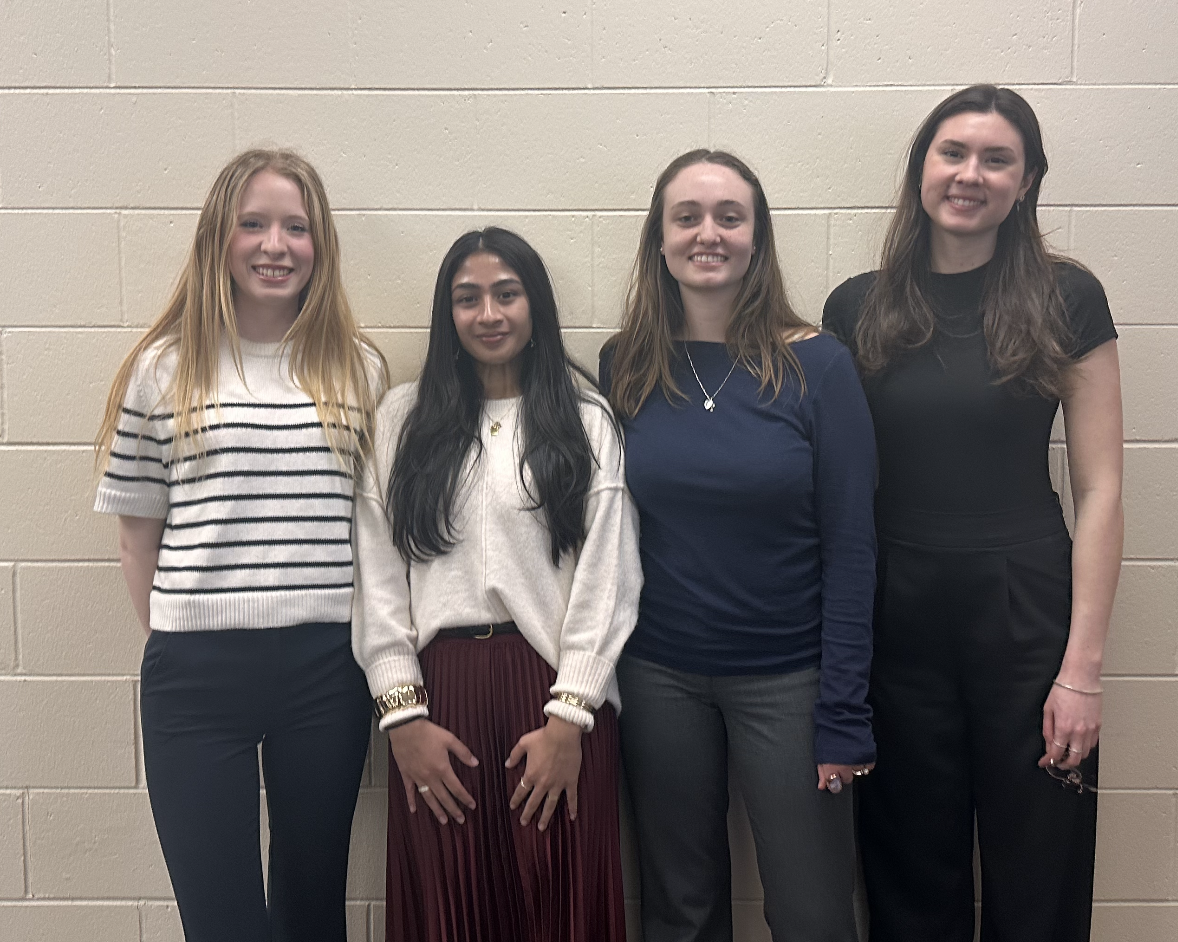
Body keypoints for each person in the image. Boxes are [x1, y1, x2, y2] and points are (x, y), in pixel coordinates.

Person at [823, 85, 1123, 942]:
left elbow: (1101, 489)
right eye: (953, 153)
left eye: (997, 159)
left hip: (1025, 613)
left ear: (1026, 182)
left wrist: (1082, 671)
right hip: (895, 613)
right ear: (922, 167)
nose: (970, 174)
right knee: (909, 866)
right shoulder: (857, 306)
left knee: (1041, 863)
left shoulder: (1069, 298)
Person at [94, 148, 388, 942]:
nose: (274, 244)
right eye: (252, 224)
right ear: (217, 240)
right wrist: (185, 640)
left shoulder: (357, 369)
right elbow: (136, 540)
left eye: (296, 227)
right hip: (196, 677)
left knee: (311, 901)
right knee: (221, 916)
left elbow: (375, 535)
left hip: (328, 670)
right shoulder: (160, 371)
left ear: (319, 246)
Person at [601, 149, 878, 942]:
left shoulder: (819, 367)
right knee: (678, 907)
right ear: (659, 238)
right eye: (687, 216)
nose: (708, 234)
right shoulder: (626, 365)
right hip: (657, 676)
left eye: (730, 216)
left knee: (814, 911)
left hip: (789, 681)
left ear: (758, 237)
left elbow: (853, 549)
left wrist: (844, 712)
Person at [352, 227, 641, 942]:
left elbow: (609, 575)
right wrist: (403, 717)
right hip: (437, 702)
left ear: (534, 304)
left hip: (554, 698)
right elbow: (378, 577)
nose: (489, 314)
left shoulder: (585, 420)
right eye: (468, 298)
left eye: (507, 294)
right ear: (446, 315)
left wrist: (570, 716)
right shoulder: (401, 421)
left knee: (559, 899)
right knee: (451, 906)